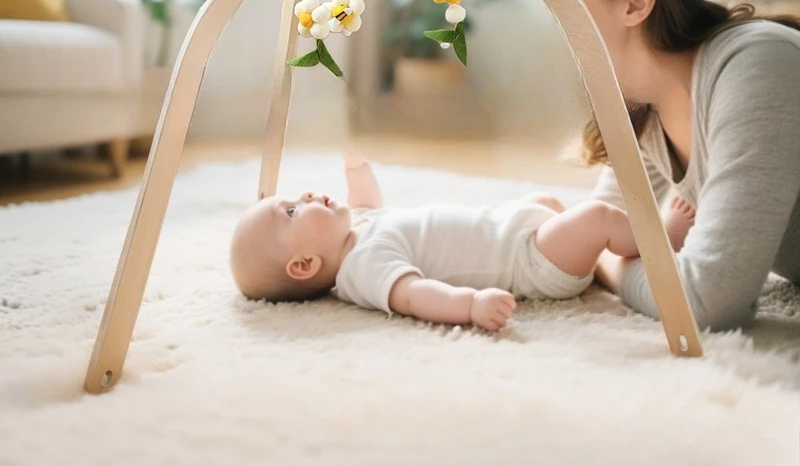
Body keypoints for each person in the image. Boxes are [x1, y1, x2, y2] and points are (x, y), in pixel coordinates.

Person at [526, 0, 800, 332]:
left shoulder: (757, 63)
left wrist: (612, 268)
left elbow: (705, 301)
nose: (555, 18)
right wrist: (611, 251)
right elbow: (611, 227)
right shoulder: (643, 102)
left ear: (636, 2)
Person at [229, 154, 695, 332]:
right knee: (596, 217)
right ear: (305, 266)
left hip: (514, 228)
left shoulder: (357, 232)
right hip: (530, 262)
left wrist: (356, 170)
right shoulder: (364, 267)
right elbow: (414, 296)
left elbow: (367, 201)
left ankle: (607, 258)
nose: (305, 195)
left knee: (546, 200)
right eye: (292, 211)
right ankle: (663, 239)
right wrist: (470, 306)